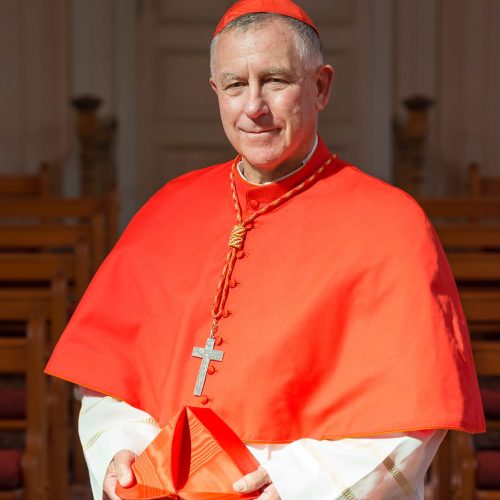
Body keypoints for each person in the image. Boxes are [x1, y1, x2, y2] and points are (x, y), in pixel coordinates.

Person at [46, 0, 485, 498]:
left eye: (275, 81)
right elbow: (110, 381)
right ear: (216, 92)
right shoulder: (168, 208)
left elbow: (411, 421)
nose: (253, 107)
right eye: (235, 85)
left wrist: (291, 483)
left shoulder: (391, 224)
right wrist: (122, 451)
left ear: (320, 87)